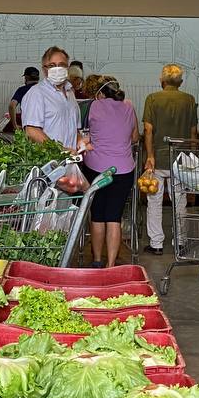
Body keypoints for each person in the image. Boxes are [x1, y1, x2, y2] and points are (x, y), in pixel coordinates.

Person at [141, 64, 199, 255]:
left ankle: (156, 243)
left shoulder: (153, 99)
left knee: (154, 201)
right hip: (181, 159)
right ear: (180, 82)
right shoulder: (189, 100)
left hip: (157, 158)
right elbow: (193, 132)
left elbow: (148, 130)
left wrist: (150, 155)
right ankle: (180, 242)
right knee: (180, 202)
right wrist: (192, 156)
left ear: (162, 81)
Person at [82, 76, 138, 267]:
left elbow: (84, 134)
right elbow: (136, 137)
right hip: (123, 170)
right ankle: (111, 265)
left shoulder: (92, 106)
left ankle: (97, 260)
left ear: (99, 93)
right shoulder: (129, 106)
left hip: (95, 168)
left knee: (97, 214)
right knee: (114, 217)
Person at [22, 46, 86, 151]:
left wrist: (80, 141)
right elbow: (32, 131)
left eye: (61, 65)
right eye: (52, 65)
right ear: (44, 69)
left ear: (67, 68)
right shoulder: (37, 93)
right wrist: (60, 150)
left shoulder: (70, 93)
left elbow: (74, 129)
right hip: (49, 163)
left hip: (71, 161)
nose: (57, 69)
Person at [7, 66, 40, 132]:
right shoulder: (45, 90)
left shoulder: (22, 90)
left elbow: (11, 106)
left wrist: (15, 125)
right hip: (43, 127)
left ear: (26, 77)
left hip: (28, 126)